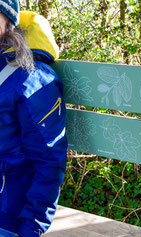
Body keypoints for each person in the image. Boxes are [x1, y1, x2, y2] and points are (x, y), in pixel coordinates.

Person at [0, 1, 67, 236]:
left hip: (8, 218)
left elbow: (48, 162)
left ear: (9, 21)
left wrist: (31, 228)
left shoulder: (32, 80)